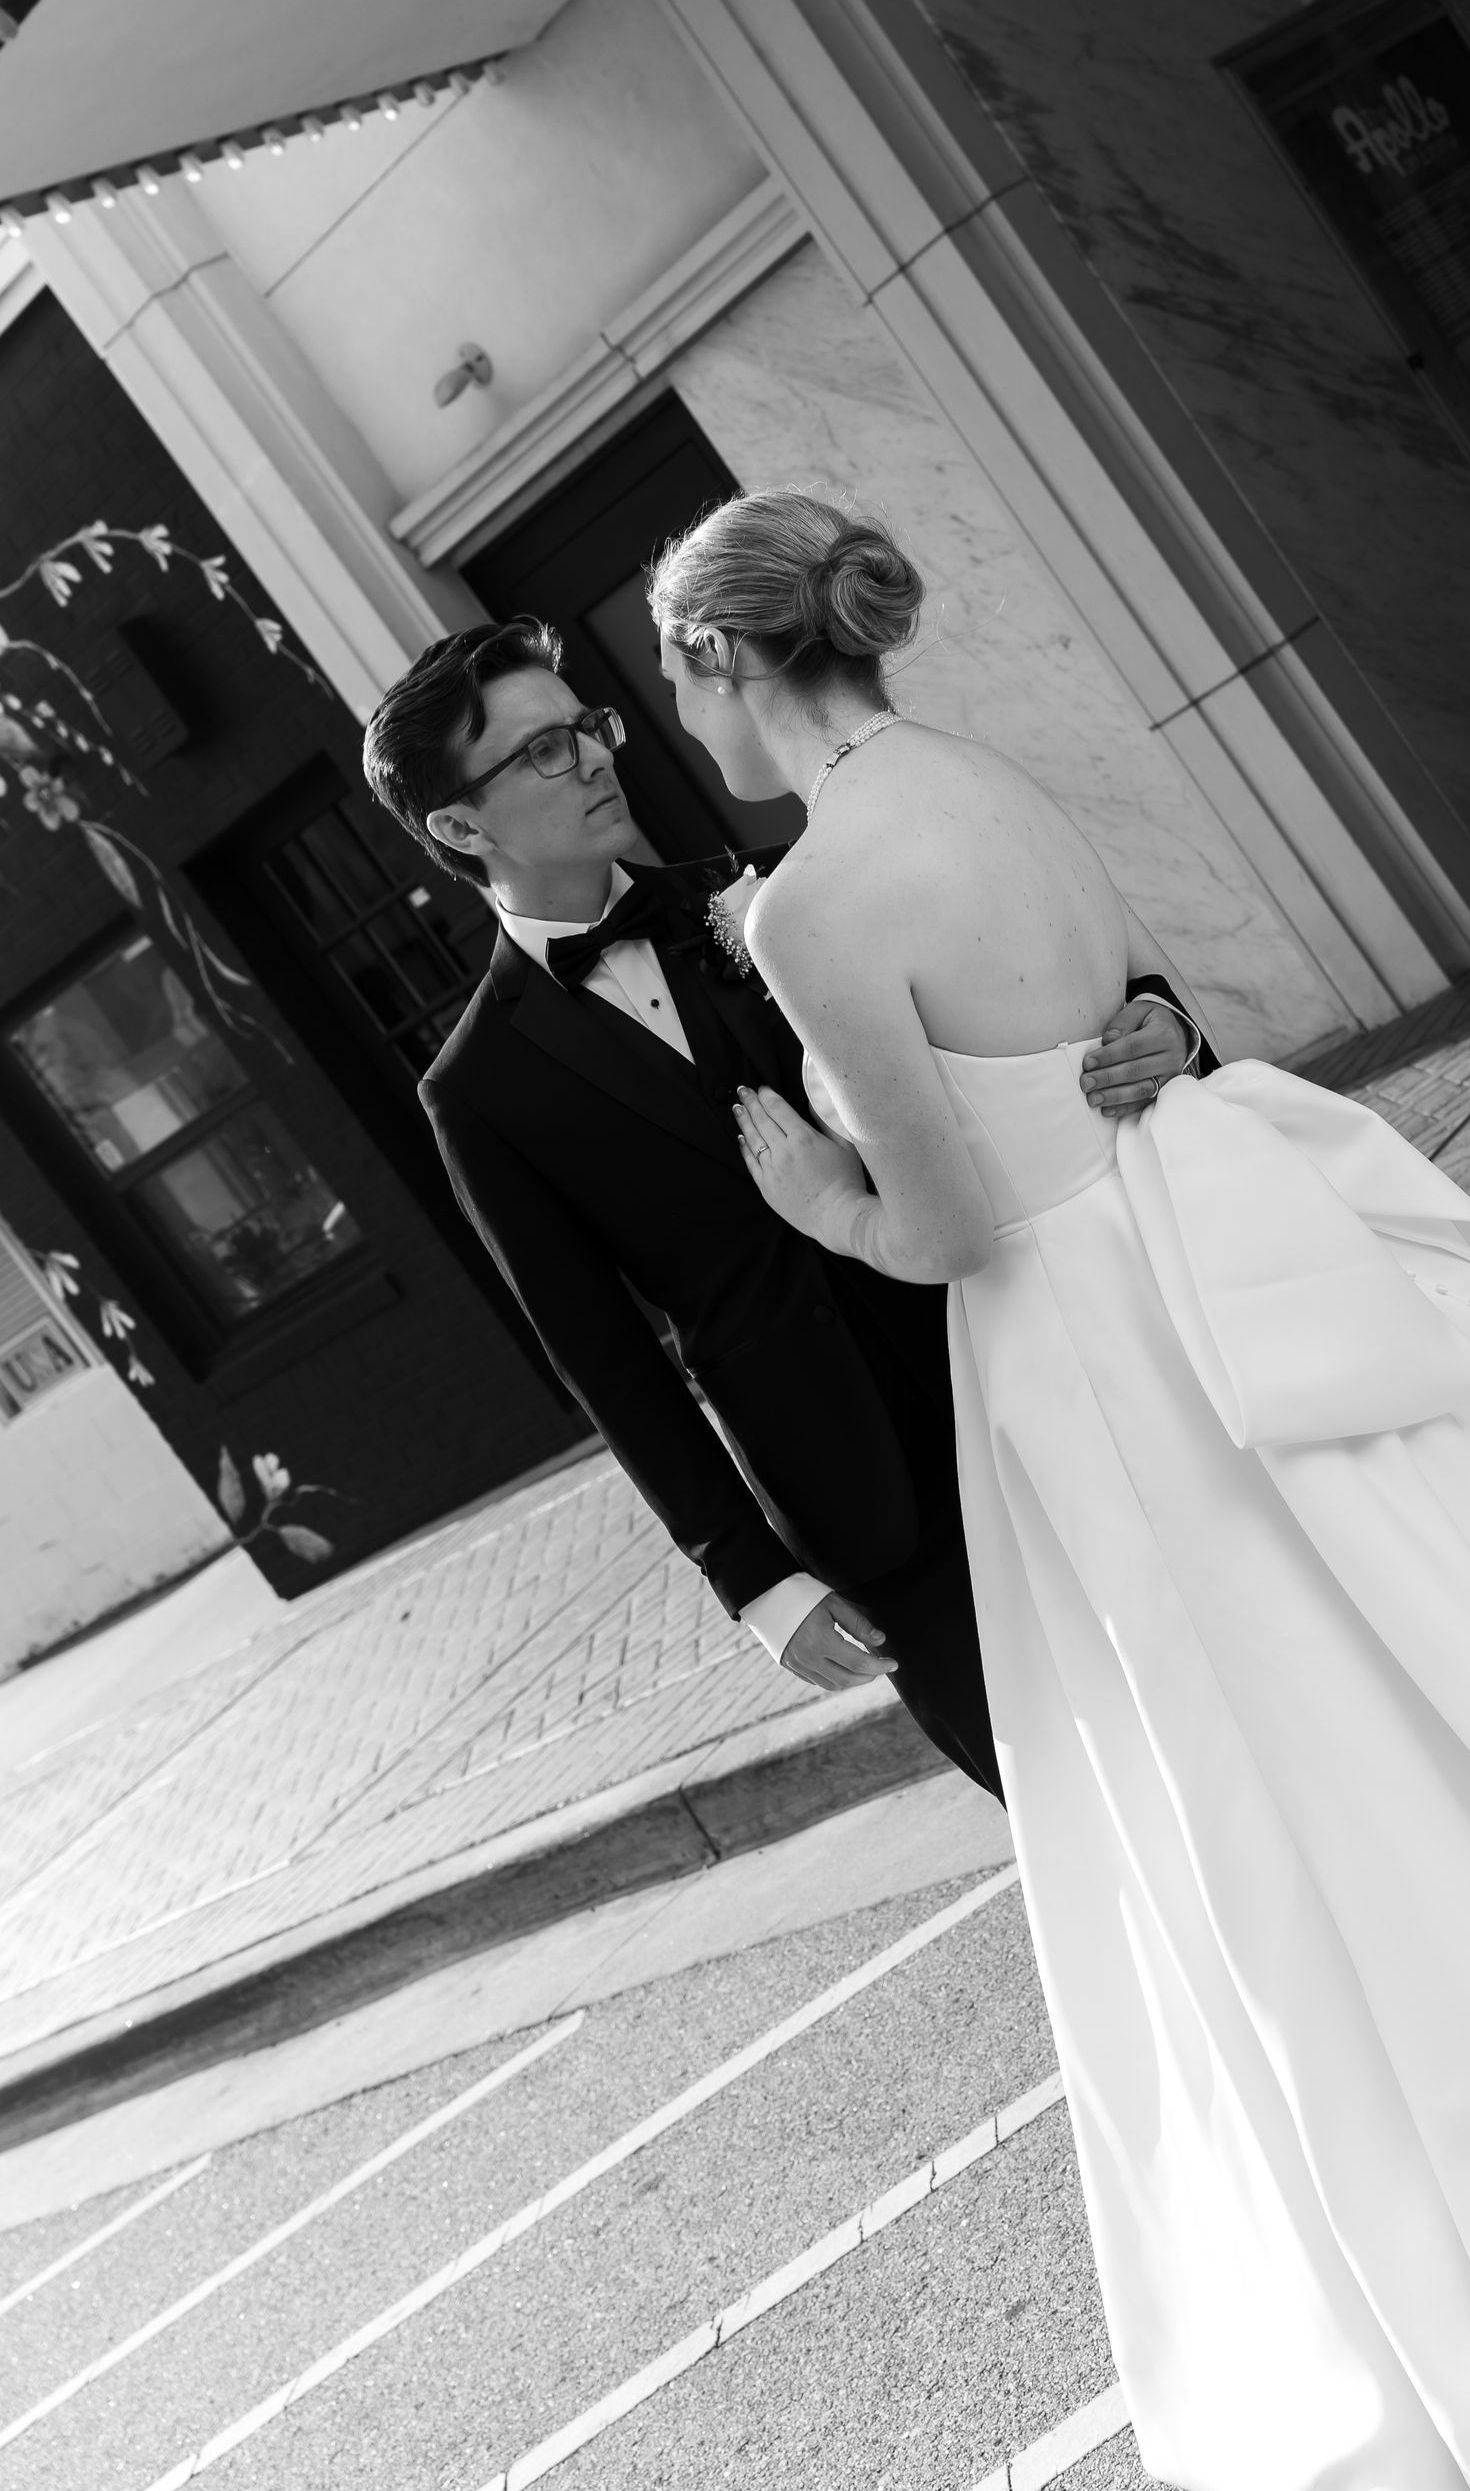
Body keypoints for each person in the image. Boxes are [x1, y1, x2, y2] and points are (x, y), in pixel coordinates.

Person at [652, 485, 1470, 2491]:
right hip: (1193, 1271)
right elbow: (1135, 1020)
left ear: (723, 655)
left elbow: (950, 1224)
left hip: (1087, 1349)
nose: (682, 723)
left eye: (674, 675)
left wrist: (812, 1192)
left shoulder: (818, 900)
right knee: (1381, 1712)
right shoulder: (985, 779)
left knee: (1282, 1796)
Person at [359, 614, 1199, 1800]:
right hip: (866, 1509)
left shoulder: (771, 900)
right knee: (1076, 1812)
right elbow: (608, 1366)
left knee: (1212, 1746)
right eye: (542, 752)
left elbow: (1024, 981)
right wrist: (753, 1580)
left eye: (586, 728)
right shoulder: (478, 1090)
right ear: (457, 824)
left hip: (1025, 1377)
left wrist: (1166, 1025)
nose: (599, 756)